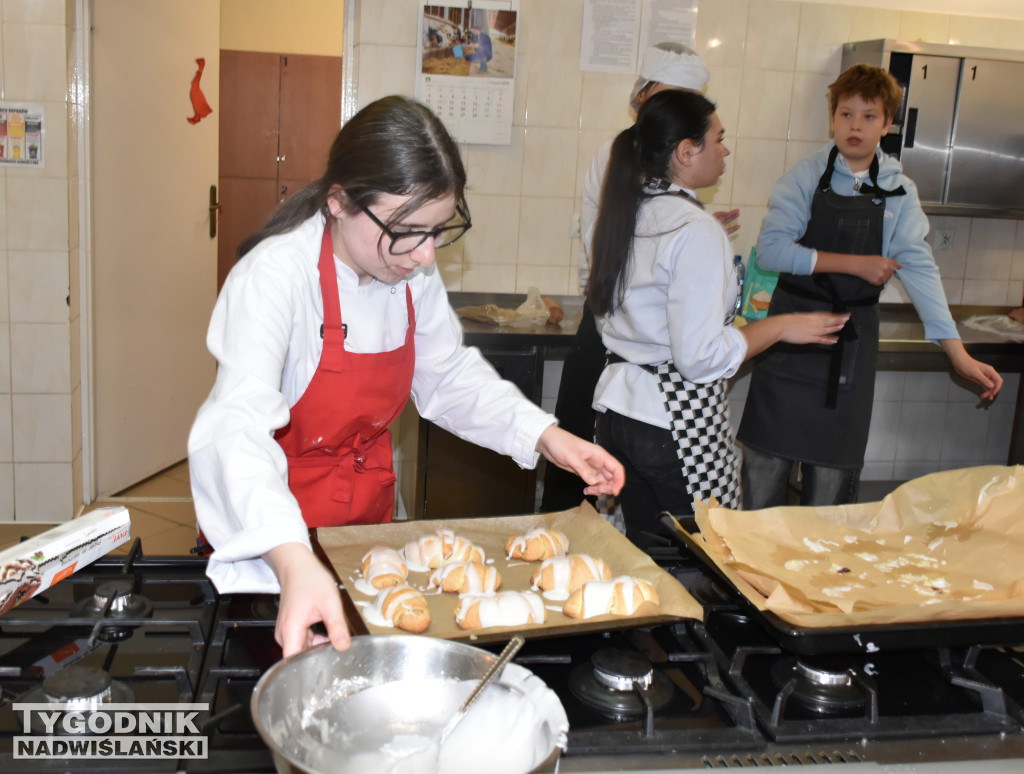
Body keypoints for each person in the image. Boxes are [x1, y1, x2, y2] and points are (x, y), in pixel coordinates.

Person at [188, 96, 625, 657]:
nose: (423, 256)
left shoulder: (406, 267)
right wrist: (292, 558)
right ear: (340, 201)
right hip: (271, 543)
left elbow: (446, 376)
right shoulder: (274, 278)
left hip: (365, 537)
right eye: (407, 232)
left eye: (439, 231)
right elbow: (236, 431)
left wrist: (547, 435)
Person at [586, 90, 848, 550]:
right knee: (704, 562)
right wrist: (778, 327)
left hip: (618, 413)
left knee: (646, 564)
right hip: (672, 424)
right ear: (686, 151)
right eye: (718, 139)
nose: (725, 150)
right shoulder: (693, 229)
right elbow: (699, 359)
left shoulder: (633, 209)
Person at [737, 64, 1003, 509]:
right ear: (832, 119)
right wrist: (857, 264)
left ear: (888, 123)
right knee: (764, 473)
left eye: (868, 116)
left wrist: (957, 352)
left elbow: (919, 269)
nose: (855, 125)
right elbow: (772, 252)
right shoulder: (804, 177)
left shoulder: (899, 190)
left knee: (832, 486)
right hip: (789, 340)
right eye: (845, 114)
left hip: (851, 344)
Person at [541, 42, 738, 513]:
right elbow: (624, 245)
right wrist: (695, 234)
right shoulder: (621, 154)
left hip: (642, 372)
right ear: (642, 97)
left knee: (640, 513)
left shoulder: (672, 195)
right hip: (612, 341)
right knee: (581, 481)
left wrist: (701, 233)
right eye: (670, 97)